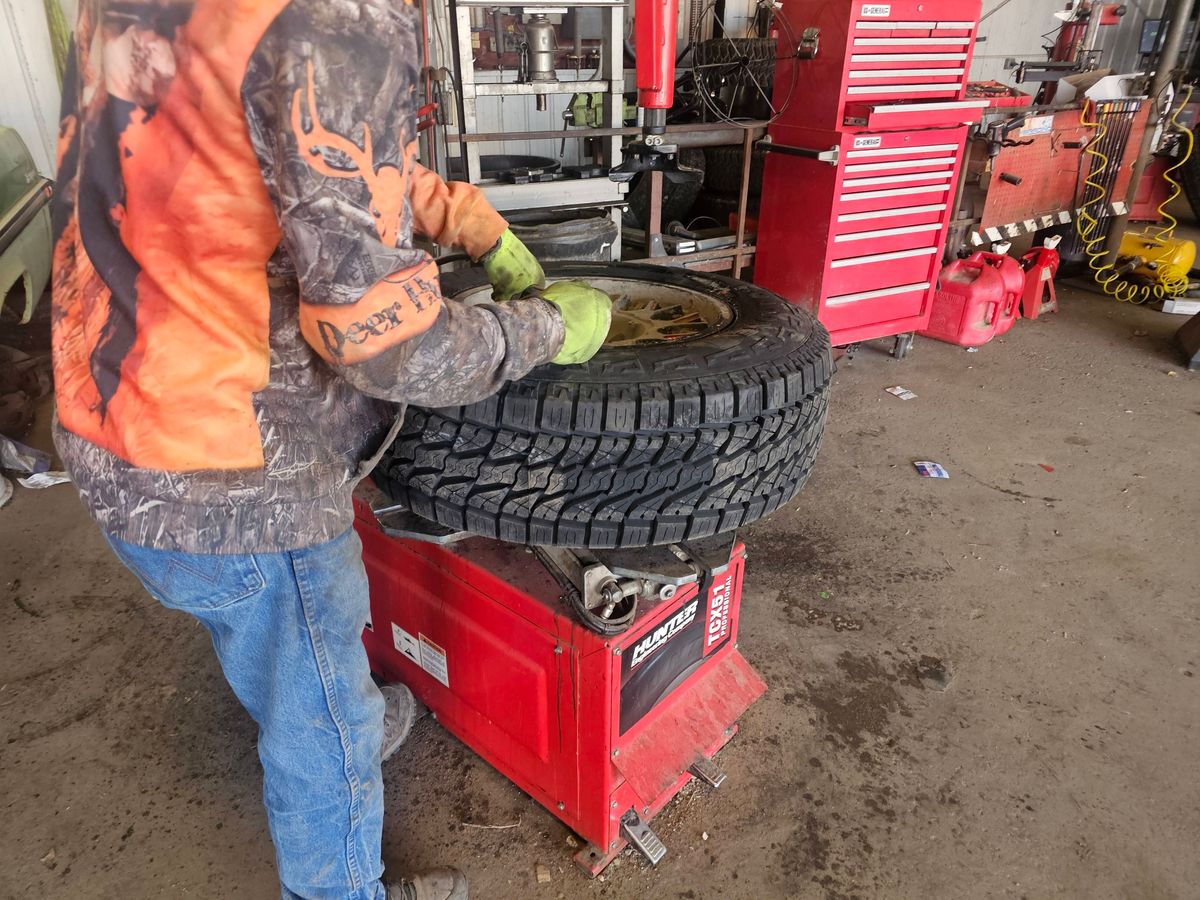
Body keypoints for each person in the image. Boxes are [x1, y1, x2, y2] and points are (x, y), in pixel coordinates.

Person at [50, 2, 612, 898]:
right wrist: (538, 330)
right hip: (233, 478)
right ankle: (337, 836)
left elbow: (306, 158)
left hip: (116, 417)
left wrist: (468, 219)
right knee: (313, 708)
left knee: (274, 641)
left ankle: (324, 702)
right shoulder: (337, 16)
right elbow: (381, 344)